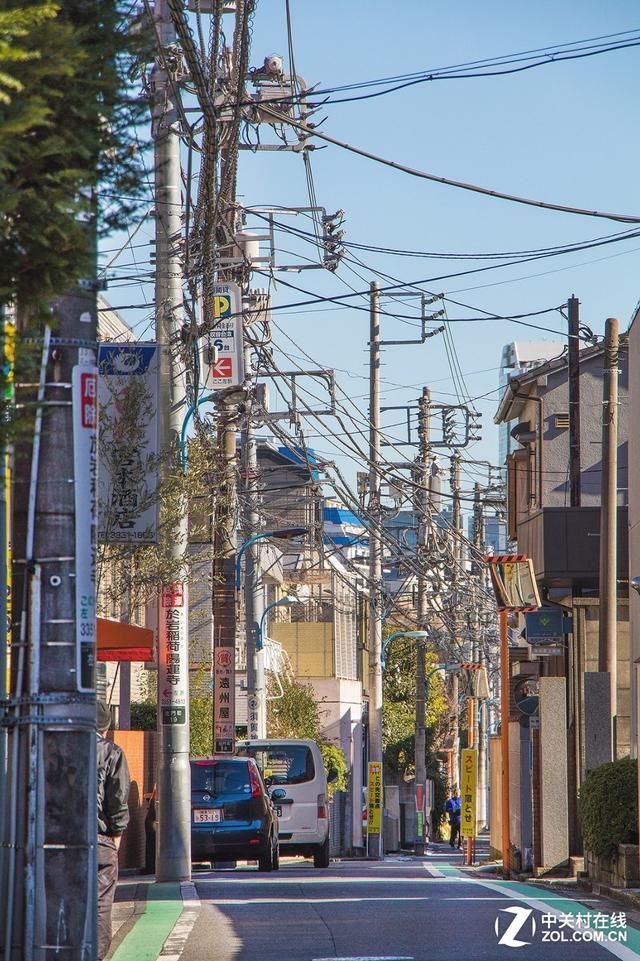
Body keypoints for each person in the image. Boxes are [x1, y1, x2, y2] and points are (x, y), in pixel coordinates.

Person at [97, 699, 130, 961]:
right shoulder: (112, 752)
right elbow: (118, 799)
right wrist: (116, 835)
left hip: (55, 840)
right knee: (100, 903)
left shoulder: (56, 748)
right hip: (100, 840)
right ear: (106, 727)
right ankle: (95, 955)